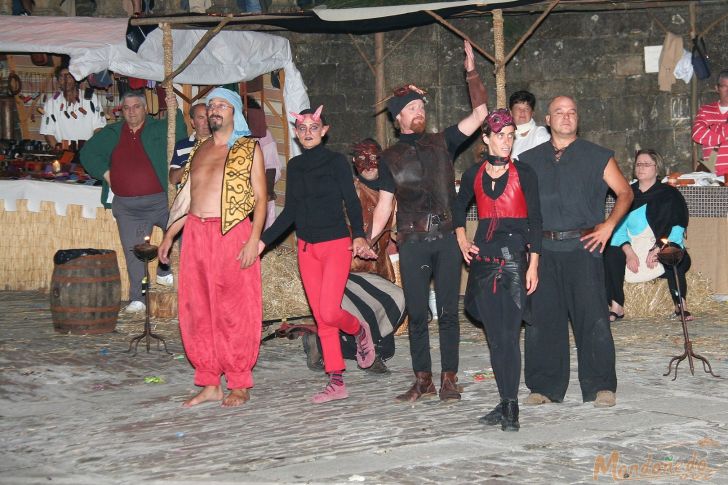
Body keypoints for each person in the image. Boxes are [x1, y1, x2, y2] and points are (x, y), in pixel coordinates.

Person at [369, 40, 488, 402]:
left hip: (446, 239)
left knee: (449, 313)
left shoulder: (443, 141)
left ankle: (449, 378)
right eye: (411, 107)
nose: (419, 110)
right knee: (418, 314)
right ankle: (423, 380)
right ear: (398, 117)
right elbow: (384, 205)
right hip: (413, 242)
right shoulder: (388, 158)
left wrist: (471, 72)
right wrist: (365, 238)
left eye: (421, 105)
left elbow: (481, 113)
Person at [518, 95, 633, 408]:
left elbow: (625, 192)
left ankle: (601, 386)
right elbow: (519, 205)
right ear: (547, 119)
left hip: (584, 247)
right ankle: (543, 386)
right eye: (559, 112)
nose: (566, 117)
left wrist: (608, 226)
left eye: (571, 112)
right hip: (542, 249)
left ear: (577, 119)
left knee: (592, 317)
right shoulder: (529, 160)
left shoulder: (597, 156)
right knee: (542, 319)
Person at [258, 106, 378, 404]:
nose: (308, 132)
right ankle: (336, 381)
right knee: (322, 318)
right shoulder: (296, 166)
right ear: (297, 134)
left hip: (336, 245)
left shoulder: (336, 162)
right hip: (306, 249)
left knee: (328, 311)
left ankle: (358, 329)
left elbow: (350, 200)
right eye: (303, 128)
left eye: (314, 127)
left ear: (324, 131)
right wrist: (263, 242)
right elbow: (292, 212)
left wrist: (359, 235)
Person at [158, 87, 267, 407]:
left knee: (235, 308)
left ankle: (238, 382)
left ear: (234, 111)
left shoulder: (249, 149)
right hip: (194, 234)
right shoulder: (200, 149)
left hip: (231, 231)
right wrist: (168, 235)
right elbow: (186, 197)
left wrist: (252, 240)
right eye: (211, 105)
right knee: (197, 309)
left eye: (222, 105)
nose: (215, 110)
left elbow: (261, 198)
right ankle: (209, 381)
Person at [453, 109, 541, 431]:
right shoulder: (473, 173)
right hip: (483, 264)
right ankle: (505, 403)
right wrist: (461, 237)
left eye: (510, 136)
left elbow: (536, 221)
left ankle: (512, 408)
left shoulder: (525, 173)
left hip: (514, 264)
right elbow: (457, 207)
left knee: (508, 337)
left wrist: (534, 263)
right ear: (486, 138)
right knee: (496, 339)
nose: (506, 142)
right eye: (500, 136)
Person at [302, 138, 403, 375]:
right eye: (361, 158)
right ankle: (323, 344)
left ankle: (324, 342)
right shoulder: (346, 189)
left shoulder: (391, 190)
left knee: (389, 341)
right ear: (353, 162)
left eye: (373, 158)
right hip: (346, 268)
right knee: (353, 313)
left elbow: (394, 225)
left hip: (377, 268)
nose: (368, 164)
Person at [81, 90, 187, 313]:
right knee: (133, 252)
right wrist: (106, 174)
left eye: (136, 106)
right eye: (127, 108)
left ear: (144, 108)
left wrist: (174, 109)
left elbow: (178, 133)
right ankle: (137, 298)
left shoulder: (157, 128)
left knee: (183, 235)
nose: (131, 112)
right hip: (128, 207)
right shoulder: (112, 133)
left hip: (161, 201)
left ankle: (164, 269)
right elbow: (88, 153)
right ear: (122, 111)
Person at [604, 149, 691, 321]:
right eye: (638, 164)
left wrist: (659, 247)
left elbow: (678, 226)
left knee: (672, 254)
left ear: (657, 168)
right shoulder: (627, 193)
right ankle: (617, 306)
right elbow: (618, 227)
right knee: (610, 253)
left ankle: (680, 304)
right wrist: (628, 252)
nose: (641, 167)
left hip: (661, 244)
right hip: (634, 246)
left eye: (646, 164)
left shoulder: (669, 194)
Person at [40, 66, 107, 149]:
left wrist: (92, 149)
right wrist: (59, 152)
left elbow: (99, 127)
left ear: (76, 79)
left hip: (88, 150)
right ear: (58, 81)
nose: (65, 80)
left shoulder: (91, 98)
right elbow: (48, 132)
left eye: (69, 76)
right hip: (63, 152)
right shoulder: (51, 103)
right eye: (61, 77)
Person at [692, 69, 728, 176]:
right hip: (712, 176)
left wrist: (712, 128)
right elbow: (697, 134)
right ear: (717, 88)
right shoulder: (706, 110)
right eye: (724, 86)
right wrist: (723, 134)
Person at [169, 103, 211, 186]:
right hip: (189, 196)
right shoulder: (181, 145)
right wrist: (192, 164)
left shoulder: (222, 143)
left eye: (209, 117)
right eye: (201, 117)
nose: (206, 122)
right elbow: (173, 179)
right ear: (192, 122)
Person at [509, 90, 550, 160]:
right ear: (511, 112)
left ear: (532, 112)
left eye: (527, 108)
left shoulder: (540, 134)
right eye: (518, 108)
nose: (522, 112)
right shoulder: (505, 135)